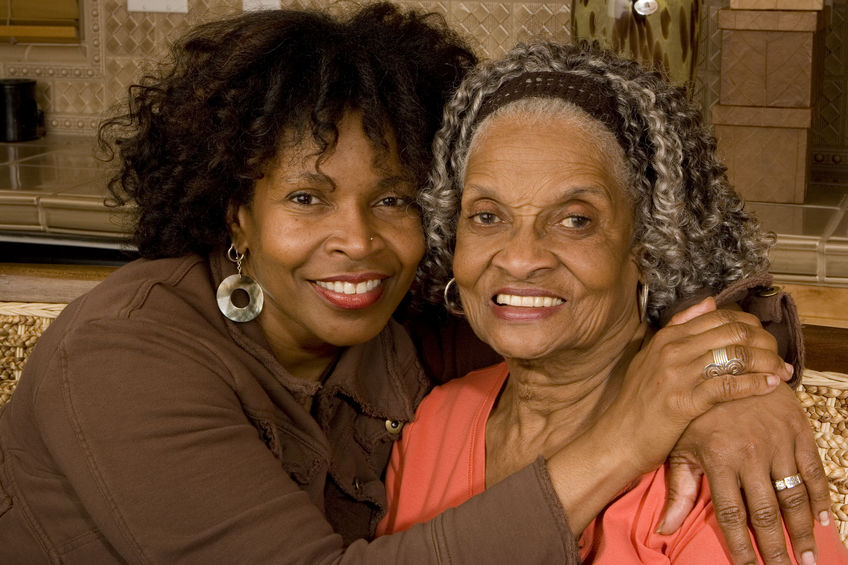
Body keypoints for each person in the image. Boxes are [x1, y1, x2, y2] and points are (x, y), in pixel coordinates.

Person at [0, 4, 826, 563]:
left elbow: (590, 302)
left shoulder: (405, 318)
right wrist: (629, 435)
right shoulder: (125, 357)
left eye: (394, 198)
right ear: (236, 212)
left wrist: (734, 385)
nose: (357, 241)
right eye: (306, 197)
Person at [378, 40, 848, 564]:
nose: (519, 258)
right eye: (487, 216)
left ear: (647, 246)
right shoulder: (431, 427)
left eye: (575, 219)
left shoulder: (724, 469)